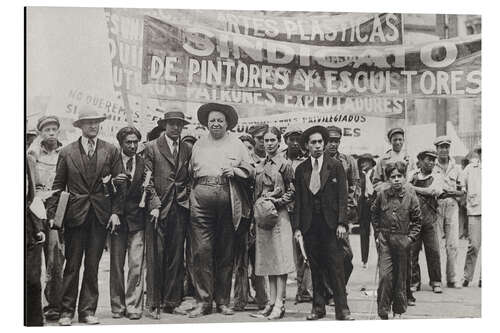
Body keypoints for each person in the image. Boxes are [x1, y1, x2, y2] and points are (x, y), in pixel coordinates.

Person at [46, 106, 122, 326]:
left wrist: (116, 212)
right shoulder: (67, 152)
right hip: (75, 216)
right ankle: (66, 312)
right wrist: (53, 215)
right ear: (80, 126)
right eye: (88, 122)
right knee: (72, 264)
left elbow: (120, 185)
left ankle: (88, 311)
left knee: (92, 265)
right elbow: (58, 187)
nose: (93, 125)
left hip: (100, 215)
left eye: (96, 121)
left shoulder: (111, 150)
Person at [188, 103, 255, 318]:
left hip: (228, 199)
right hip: (201, 199)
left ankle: (223, 302)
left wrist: (235, 170)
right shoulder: (198, 144)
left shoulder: (237, 144)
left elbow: (251, 170)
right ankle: (203, 302)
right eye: (212, 120)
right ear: (207, 124)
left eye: (220, 120)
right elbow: (190, 173)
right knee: (201, 252)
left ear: (227, 123)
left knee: (225, 252)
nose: (215, 123)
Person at [293, 125, 354, 321]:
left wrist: (342, 223)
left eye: (320, 142)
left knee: (336, 267)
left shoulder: (335, 166)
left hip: (331, 226)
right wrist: (297, 228)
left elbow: (343, 197)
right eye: (313, 143)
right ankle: (318, 308)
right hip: (310, 225)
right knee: (315, 267)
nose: (318, 146)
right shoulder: (301, 169)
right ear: (307, 146)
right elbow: (300, 201)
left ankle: (342, 310)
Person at [143, 110, 192, 318]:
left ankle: (172, 301)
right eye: (172, 124)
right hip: (157, 208)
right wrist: (154, 203)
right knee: (156, 255)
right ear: (164, 125)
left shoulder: (188, 149)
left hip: (180, 207)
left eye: (179, 124)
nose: (176, 128)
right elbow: (147, 179)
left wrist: (186, 196)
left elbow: (190, 177)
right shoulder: (151, 147)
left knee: (175, 255)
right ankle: (153, 302)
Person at [250, 127, 295, 320]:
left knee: (280, 260)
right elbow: (255, 193)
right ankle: (270, 302)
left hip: (279, 216)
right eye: (266, 140)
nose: (269, 143)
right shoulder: (259, 165)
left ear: (279, 141)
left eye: (272, 140)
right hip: (263, 217)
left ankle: (280, 303)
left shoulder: (284, 164)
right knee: (268, 260)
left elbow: (293, 191)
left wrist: (276, 202)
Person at [371, 161, 422, 320]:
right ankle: (383, 310)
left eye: (400, 176)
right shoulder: (382, 195)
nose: (397, 179)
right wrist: (377, 233)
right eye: (393, 176)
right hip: (385, 240)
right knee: (385, 276)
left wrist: (410, 238)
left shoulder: (411, 197)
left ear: (404, 177)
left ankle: (398, 310)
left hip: (402, 241)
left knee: (401, 277)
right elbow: (374, 214)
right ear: (388, 179)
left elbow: (417, 221)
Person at [27, 115, 64, 321]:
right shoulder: (32, 153)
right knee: (32, 261)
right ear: (41, 132)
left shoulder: (64, 152)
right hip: (34, 210)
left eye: (54, 129)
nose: (51, 133)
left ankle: (53, 306)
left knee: (55, 257)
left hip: (55, 208)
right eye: (47, 129)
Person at [108, 127, 146, 320]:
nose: (132, 146)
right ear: (120, 144)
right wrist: (113, 182)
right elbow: (102, 188)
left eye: (135, 142)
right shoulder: (112, 162)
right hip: (117, 221)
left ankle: (133, 305)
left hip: (137, 221)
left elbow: (150, 187)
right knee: (116, 265)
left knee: (136, 265)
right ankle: (117, 306)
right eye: (128, 142)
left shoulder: (143, 163)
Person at [233, 134, 268, 312]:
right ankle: (240, 298)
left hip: (256, 217)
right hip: (241, 218)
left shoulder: (260, 167)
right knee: (240, 261)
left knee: (258, 260)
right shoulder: (235, 168)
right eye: (243, 147)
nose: (246, 151)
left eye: (249, 147)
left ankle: (262, 298)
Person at [282, 125, 312, 304]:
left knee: (304, 250)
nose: (294, 143)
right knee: (283, 251)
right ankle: (279, 294)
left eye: (297, 139)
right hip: (283, 210)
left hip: (302, 211)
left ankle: (304, 290)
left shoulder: (307, 161)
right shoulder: (279, 159)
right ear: (285, 140)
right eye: (291, 139)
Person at [324, 125, 356, 288]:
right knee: (326, 255)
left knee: (346, 255)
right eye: (330, 141)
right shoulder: (318, 160)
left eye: (336, 141)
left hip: (342, 216)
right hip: (323, 217)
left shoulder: (347, 161)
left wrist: (347, 211)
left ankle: (339, 286)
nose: (333, 144)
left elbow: (353, 187)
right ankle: (331, 291)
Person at [408, 150, 443, 294]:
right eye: (428, 159)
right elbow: (405, 191)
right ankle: (414, 281)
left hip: (430, 219)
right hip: (414, 219)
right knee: (412, 251)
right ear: (420, 161)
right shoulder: (412, 175)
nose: (432, 163)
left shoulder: (437, 176)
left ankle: (436, 281)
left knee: (433, 251)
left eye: (433, 160)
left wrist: (414, 188)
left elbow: (433, 191)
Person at [433, 135, 464, 289]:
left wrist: (450, 192)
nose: (444, 150)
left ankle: (452, 278)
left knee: (453, 245)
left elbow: (462, 191)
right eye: (441, 147)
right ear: (436, 149)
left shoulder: (457, 168)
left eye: (446, 147)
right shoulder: (432, 167)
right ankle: (436, 279)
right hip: (436, 207)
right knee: (436, 245)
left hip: (452, 207)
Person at [25, 156, 46, 326]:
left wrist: (38, 227)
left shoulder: (29, 161)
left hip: (29, 226)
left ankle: (34, 323)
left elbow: (34, 196)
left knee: (32, 279)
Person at [461, 145, 481, 287]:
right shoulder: (470, 168)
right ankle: (467, 276)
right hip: (475, 210)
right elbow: (462, 185)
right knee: (473, 245)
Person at [357, 153, 377, 268]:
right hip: (364, 205)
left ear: (371, 163)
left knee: (377, 232)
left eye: (366, 161)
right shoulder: (360, 176)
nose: (363, 164)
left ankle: (381, 257)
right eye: (361, 162)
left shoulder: (375, 173)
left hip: (374, 204)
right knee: (364, 233)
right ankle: (364, 260)